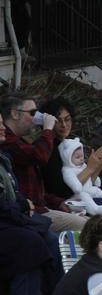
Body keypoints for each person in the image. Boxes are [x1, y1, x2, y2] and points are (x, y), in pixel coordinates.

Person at [1, 92, 87, 231]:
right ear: (15, 114)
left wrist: (59, 202)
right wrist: (47, 129)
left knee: (93, 222)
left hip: (39, 208)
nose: (36, 118)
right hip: (28, 214)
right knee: (87, 226)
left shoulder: (19, 141)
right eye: (33, 112)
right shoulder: (7, 142)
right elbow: (40, 156)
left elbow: (37, 192)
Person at [0, 119, 60, 295]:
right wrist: (21, 206)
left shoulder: (3, 158)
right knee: (30, 240)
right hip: (5, 221)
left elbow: (14, 192)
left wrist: (21, 203)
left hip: (11, 218)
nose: (3, 128)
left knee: (47, 237)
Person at [58, 138, 102, 216]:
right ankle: (95, 210)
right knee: (84, 196)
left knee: (98, 191)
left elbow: (91, 176)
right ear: (67, 158)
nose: (81, 159)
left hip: (89, 189)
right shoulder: (68, 170)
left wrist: (97, 180)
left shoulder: (83, 166)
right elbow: (73, 182)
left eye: (82, 156)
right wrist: (77, 186)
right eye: (77, 157)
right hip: (79, 195)